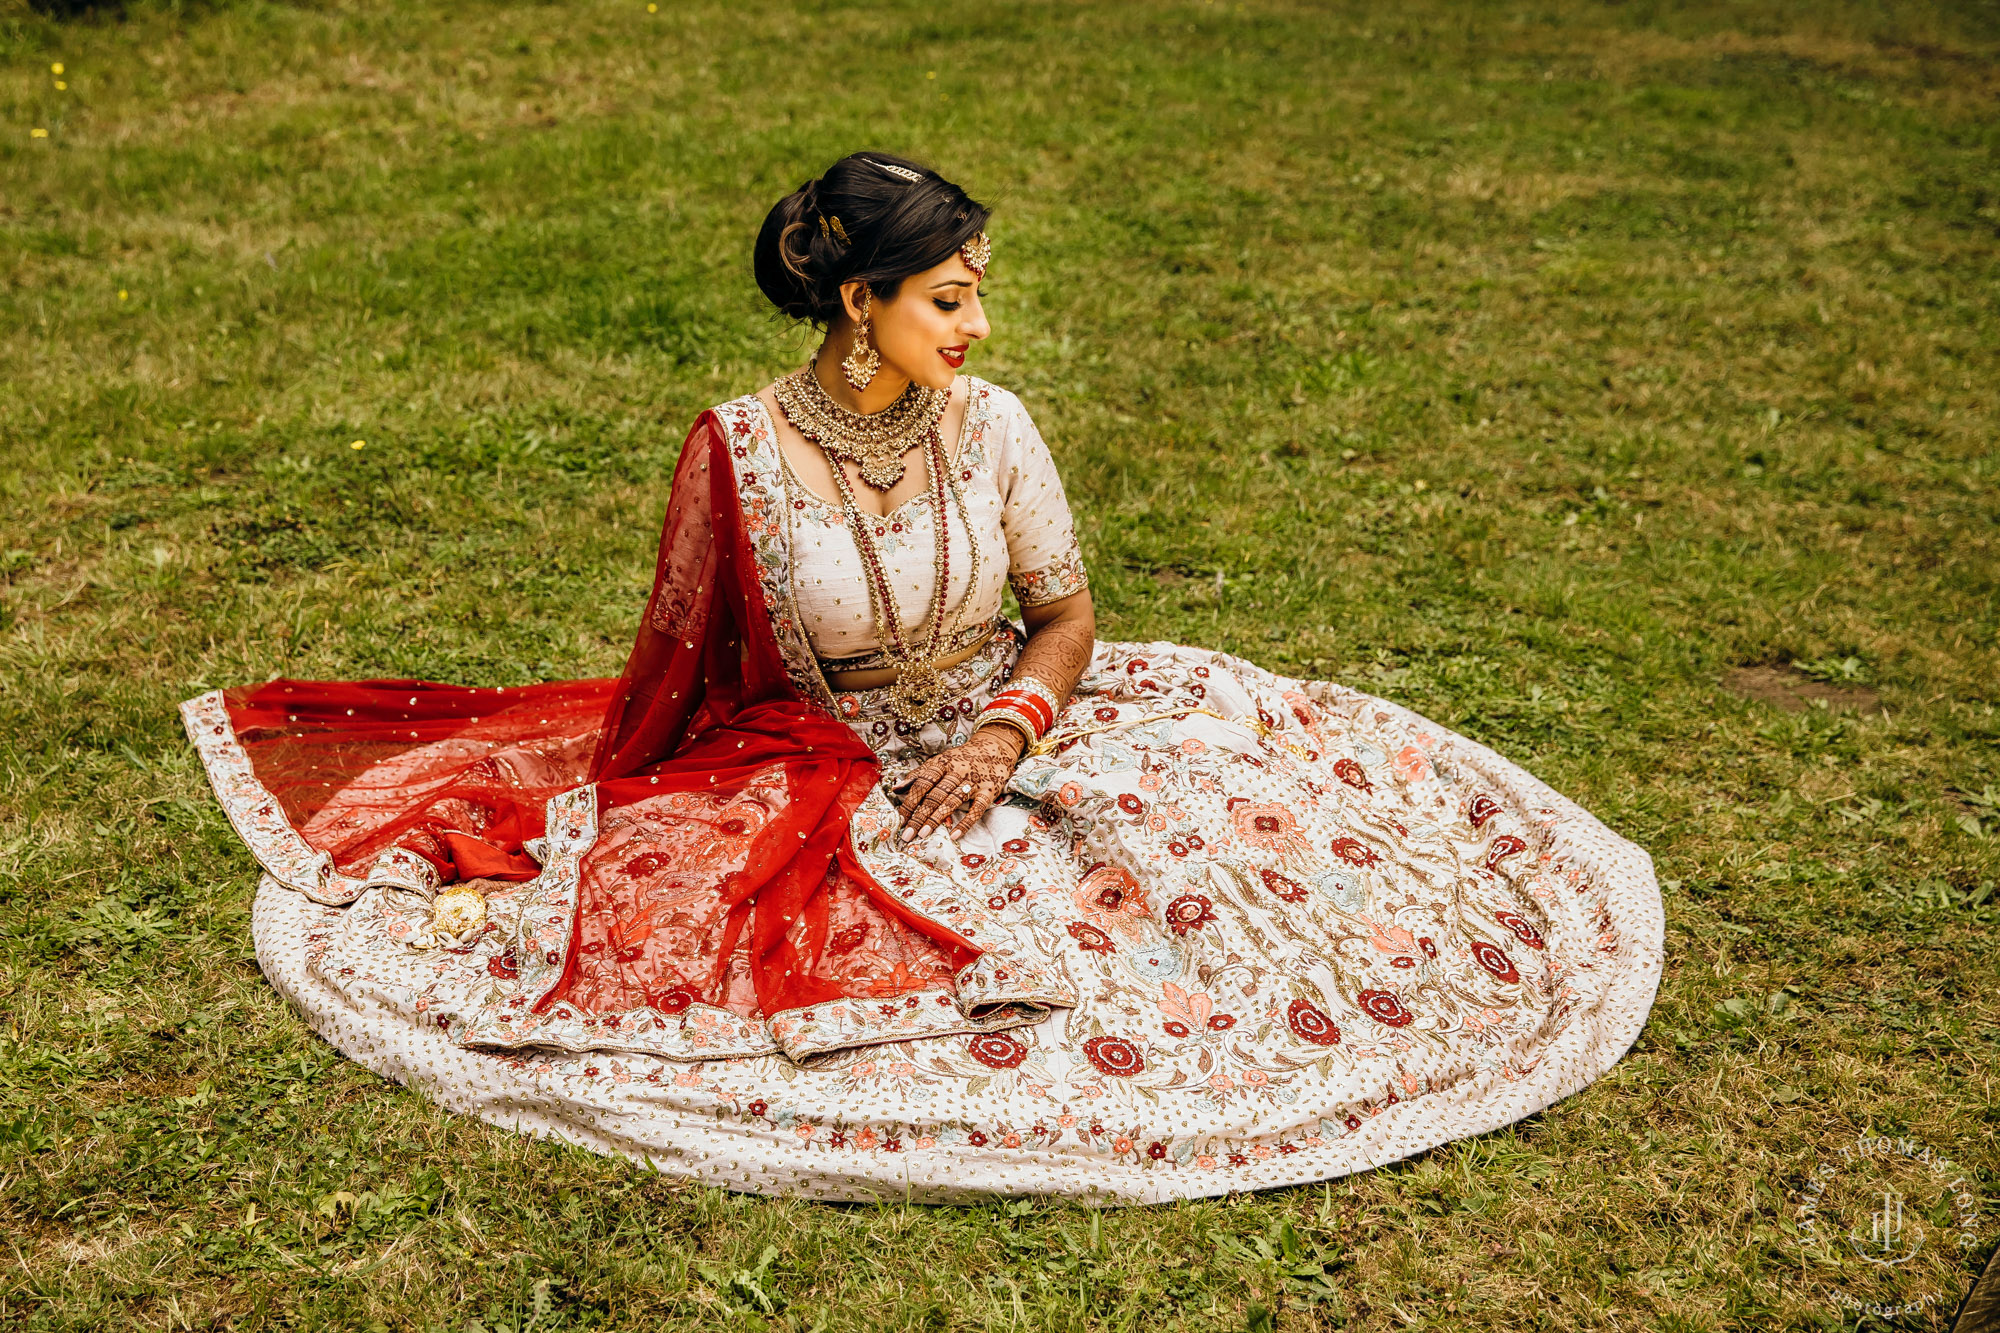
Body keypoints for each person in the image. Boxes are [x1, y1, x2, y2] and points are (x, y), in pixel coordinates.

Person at [181, 151, 1663, 1204]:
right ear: (860, 306)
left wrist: (1011, 734)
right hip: (821, 757)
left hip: (1013, 727)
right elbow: (688, 680)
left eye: (976, 295)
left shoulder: (994, 424)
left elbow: (1068, 615)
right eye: (948, 299)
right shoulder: (743, 452)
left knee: (1225, 856)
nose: (976, 325)